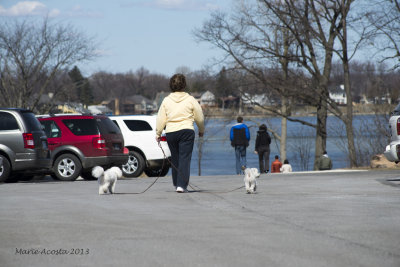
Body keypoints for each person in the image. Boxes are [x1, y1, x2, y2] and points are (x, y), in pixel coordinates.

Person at [156, 74, 205, 193]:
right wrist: (201, 130)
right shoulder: (190, 99)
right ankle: (181, 185)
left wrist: (158, 133)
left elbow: (161, 118)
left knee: (175, 158)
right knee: (184, 159)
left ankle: (176, 183)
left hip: (171, 132)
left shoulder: (166, 100)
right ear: (184, 85)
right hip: (186, 131)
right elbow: (199, 117)